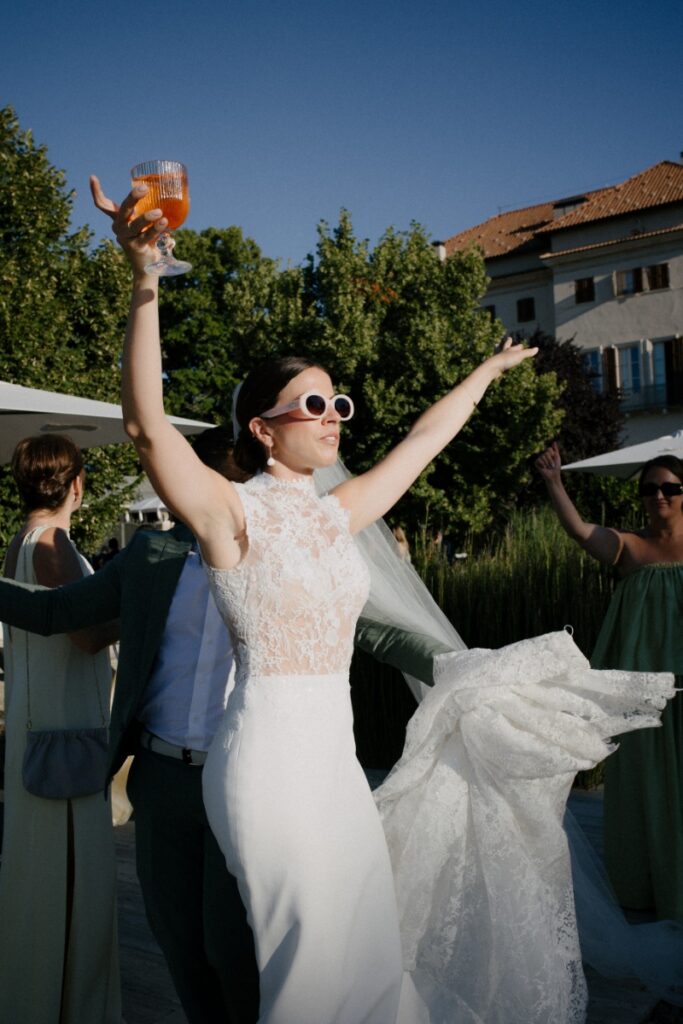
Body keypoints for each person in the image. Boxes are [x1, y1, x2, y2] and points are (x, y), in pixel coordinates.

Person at [0, 426, 453, 1024]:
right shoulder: (151, 555)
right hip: (159, 781)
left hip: (241, 779)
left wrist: (456, 664)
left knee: (231, 951)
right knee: (179, 947)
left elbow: (379, 632)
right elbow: (56, 611)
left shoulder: (290, 561)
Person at [0, 434, 121, 1024]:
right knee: (71, 885)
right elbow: (83, 631)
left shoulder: (19, 541)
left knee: (40, 887)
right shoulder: (50, 542)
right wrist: (138, 607)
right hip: (65, 739)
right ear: (76, 484)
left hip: (41, 733)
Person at [536, 442, 683, 925]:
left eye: (670, 488)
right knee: (646, 787)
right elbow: (581, 533)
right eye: (649, 488)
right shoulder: (630, 547)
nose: (658, 496)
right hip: (644, 692)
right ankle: (650, 888)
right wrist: (556, 483)